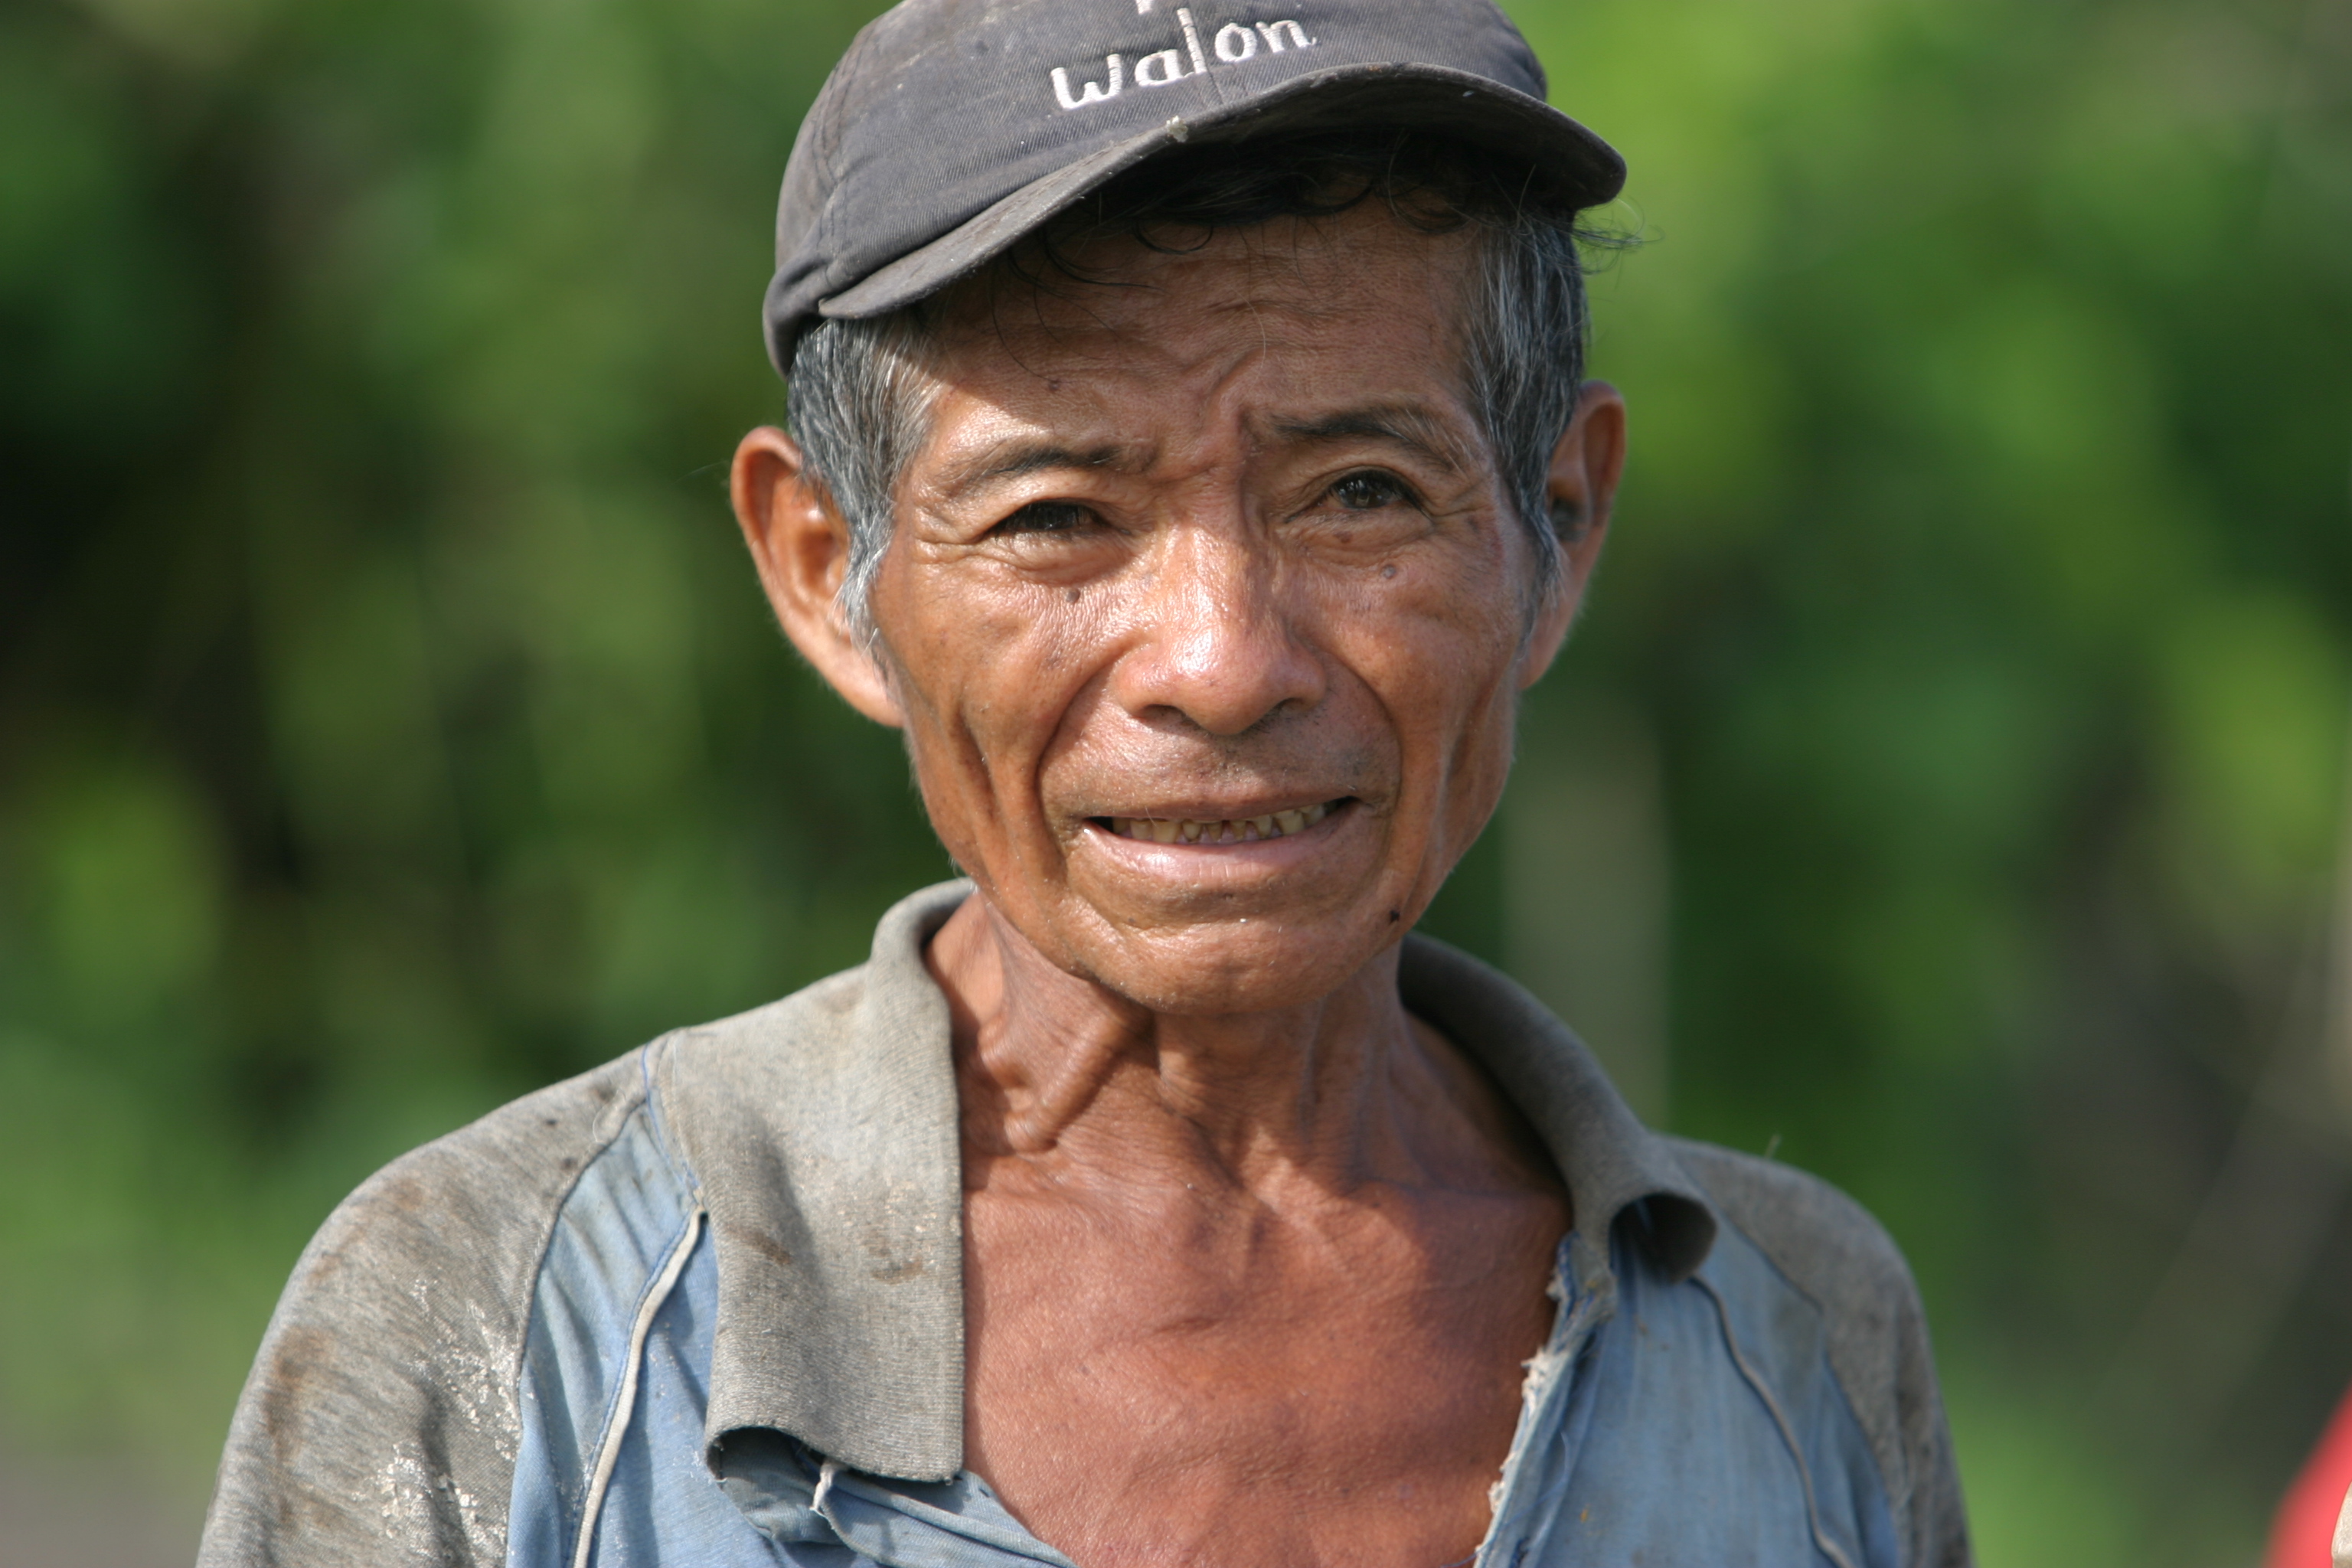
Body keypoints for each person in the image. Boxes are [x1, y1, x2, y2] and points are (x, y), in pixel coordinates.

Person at [197, 0, 1972, 1563]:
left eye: (1360, 490)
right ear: (829, 577)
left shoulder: (1794, 1343)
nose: (1221, 659)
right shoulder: (509, 1333)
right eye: (1057, 518)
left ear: (1555, 531)